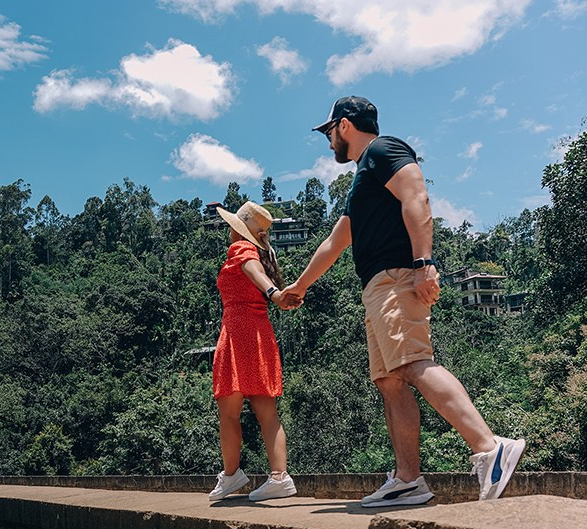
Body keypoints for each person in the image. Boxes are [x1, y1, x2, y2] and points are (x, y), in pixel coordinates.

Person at [282, 96, 525, 506]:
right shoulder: (363, 180)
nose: (327, 144)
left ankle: (489, 448)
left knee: (412, 363)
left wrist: (424, 263)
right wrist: (299, 286)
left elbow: (418, 197)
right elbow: (335, 242)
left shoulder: (382, 149)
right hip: (377, 286)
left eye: (328, 133)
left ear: (344, 126)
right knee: (389, 380)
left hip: (397, 277)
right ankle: (409, 479)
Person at [209, 201, 302, 502]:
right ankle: (280, 476)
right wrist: (274, 293)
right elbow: (257, 271)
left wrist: (273, 294)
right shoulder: (261, 253)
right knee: (267, 413)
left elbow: (251, 270)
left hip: (239, 334)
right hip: (259, 334)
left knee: (228, 413)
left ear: (239, 229)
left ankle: (232, 474)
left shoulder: (242, 250)